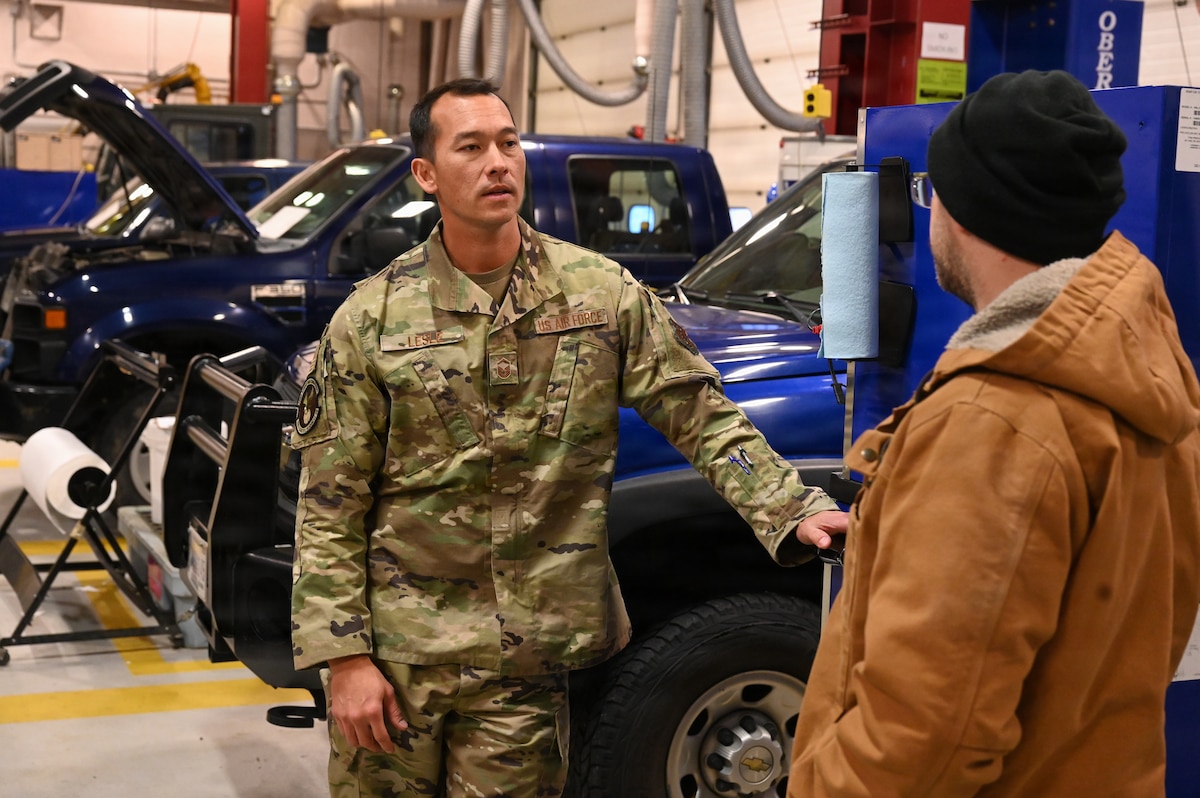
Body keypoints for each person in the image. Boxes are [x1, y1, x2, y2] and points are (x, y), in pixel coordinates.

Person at [289, 77, 848, 798]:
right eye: (471, 147)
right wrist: (344, 660)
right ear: (426, 174)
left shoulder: (599, 296)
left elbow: (699, 412)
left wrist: (791, 508)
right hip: (400, 663)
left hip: (526, 667)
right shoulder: (371, 320)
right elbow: (330, 502)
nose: (498, 162)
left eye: (508, 143)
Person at [788, 69, 1200, 796]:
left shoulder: (994, 423)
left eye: (932, 191)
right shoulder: (1147, 376)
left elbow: (920, 744)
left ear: (970, 210)